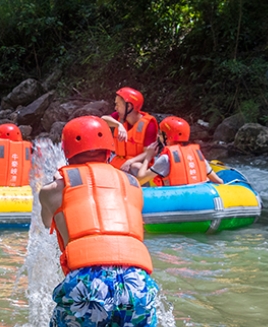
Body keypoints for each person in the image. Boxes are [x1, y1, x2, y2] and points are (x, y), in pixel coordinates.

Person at [39, 116, 159, 326]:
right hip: (137, 280)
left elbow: (46, 222)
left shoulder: (52, 191)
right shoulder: (132, 185)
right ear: (109, 150)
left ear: (67, 152)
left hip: (87, 282)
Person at [133, 116, 224, 186]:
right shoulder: (198, 156)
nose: (158, 136)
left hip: (174, 199)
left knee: (136, 167)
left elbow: (139, 181)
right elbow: (219, 181)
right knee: (136, 166)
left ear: (167, 137)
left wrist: (148, 157)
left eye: (160, 134)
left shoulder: (166, 159)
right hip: (199, 195)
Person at [101, 87, 158, 173]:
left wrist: (131, 161)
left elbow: (149, 153)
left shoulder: (149, 125)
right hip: (119, 162)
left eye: (118, 105)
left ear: (129, 107)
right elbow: (102, 120)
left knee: (136, 167)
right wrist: (118, 124)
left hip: (137, 164)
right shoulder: (119, 117)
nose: (115, 108)